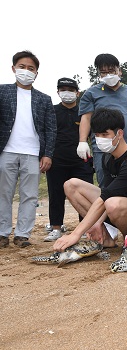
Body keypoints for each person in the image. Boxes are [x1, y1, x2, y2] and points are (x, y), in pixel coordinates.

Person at [53, 108, 127, 251]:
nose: (101, 139)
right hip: (112, 208)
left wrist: (76, 234)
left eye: (105, 134)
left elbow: (106, 199)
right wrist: (97, 223)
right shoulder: (107, 157)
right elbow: (106, 193)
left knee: (113, 204)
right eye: (97, 135)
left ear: (119, 133)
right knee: (71, 185)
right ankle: (105, 237)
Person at [0, 51, 56, 248]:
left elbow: (50, 129)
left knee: (30, 196)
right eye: (22, 67)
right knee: (3, 193)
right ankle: (2, 232)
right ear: (13, 68)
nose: (26, 71)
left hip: (33, 153)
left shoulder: (44, 99)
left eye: (30, 68)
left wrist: (48, 154)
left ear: (36, 73)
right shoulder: (2, 91)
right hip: (6, 151)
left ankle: (22, 234)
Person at [77, 53, 127, 186]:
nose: (108, 75)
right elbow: (86, 118)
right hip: (104, 148)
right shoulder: (91, 93)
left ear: (119, 71)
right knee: (106, 185)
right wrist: (82, 141)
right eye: (103, 72)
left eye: (111, 71)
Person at [44, 78, 95, 242]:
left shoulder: (85, 112)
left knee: (84, 194)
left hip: (81, 159)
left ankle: (86, 227)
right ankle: (56, 227)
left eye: (71, 89)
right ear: (58, 92)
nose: (67, 92)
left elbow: (94, 135)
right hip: (56, 159)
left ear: (77, 93)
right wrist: (46, 155)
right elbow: (45, 135)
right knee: (56, 193)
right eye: (63, 89)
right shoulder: (51, 111)